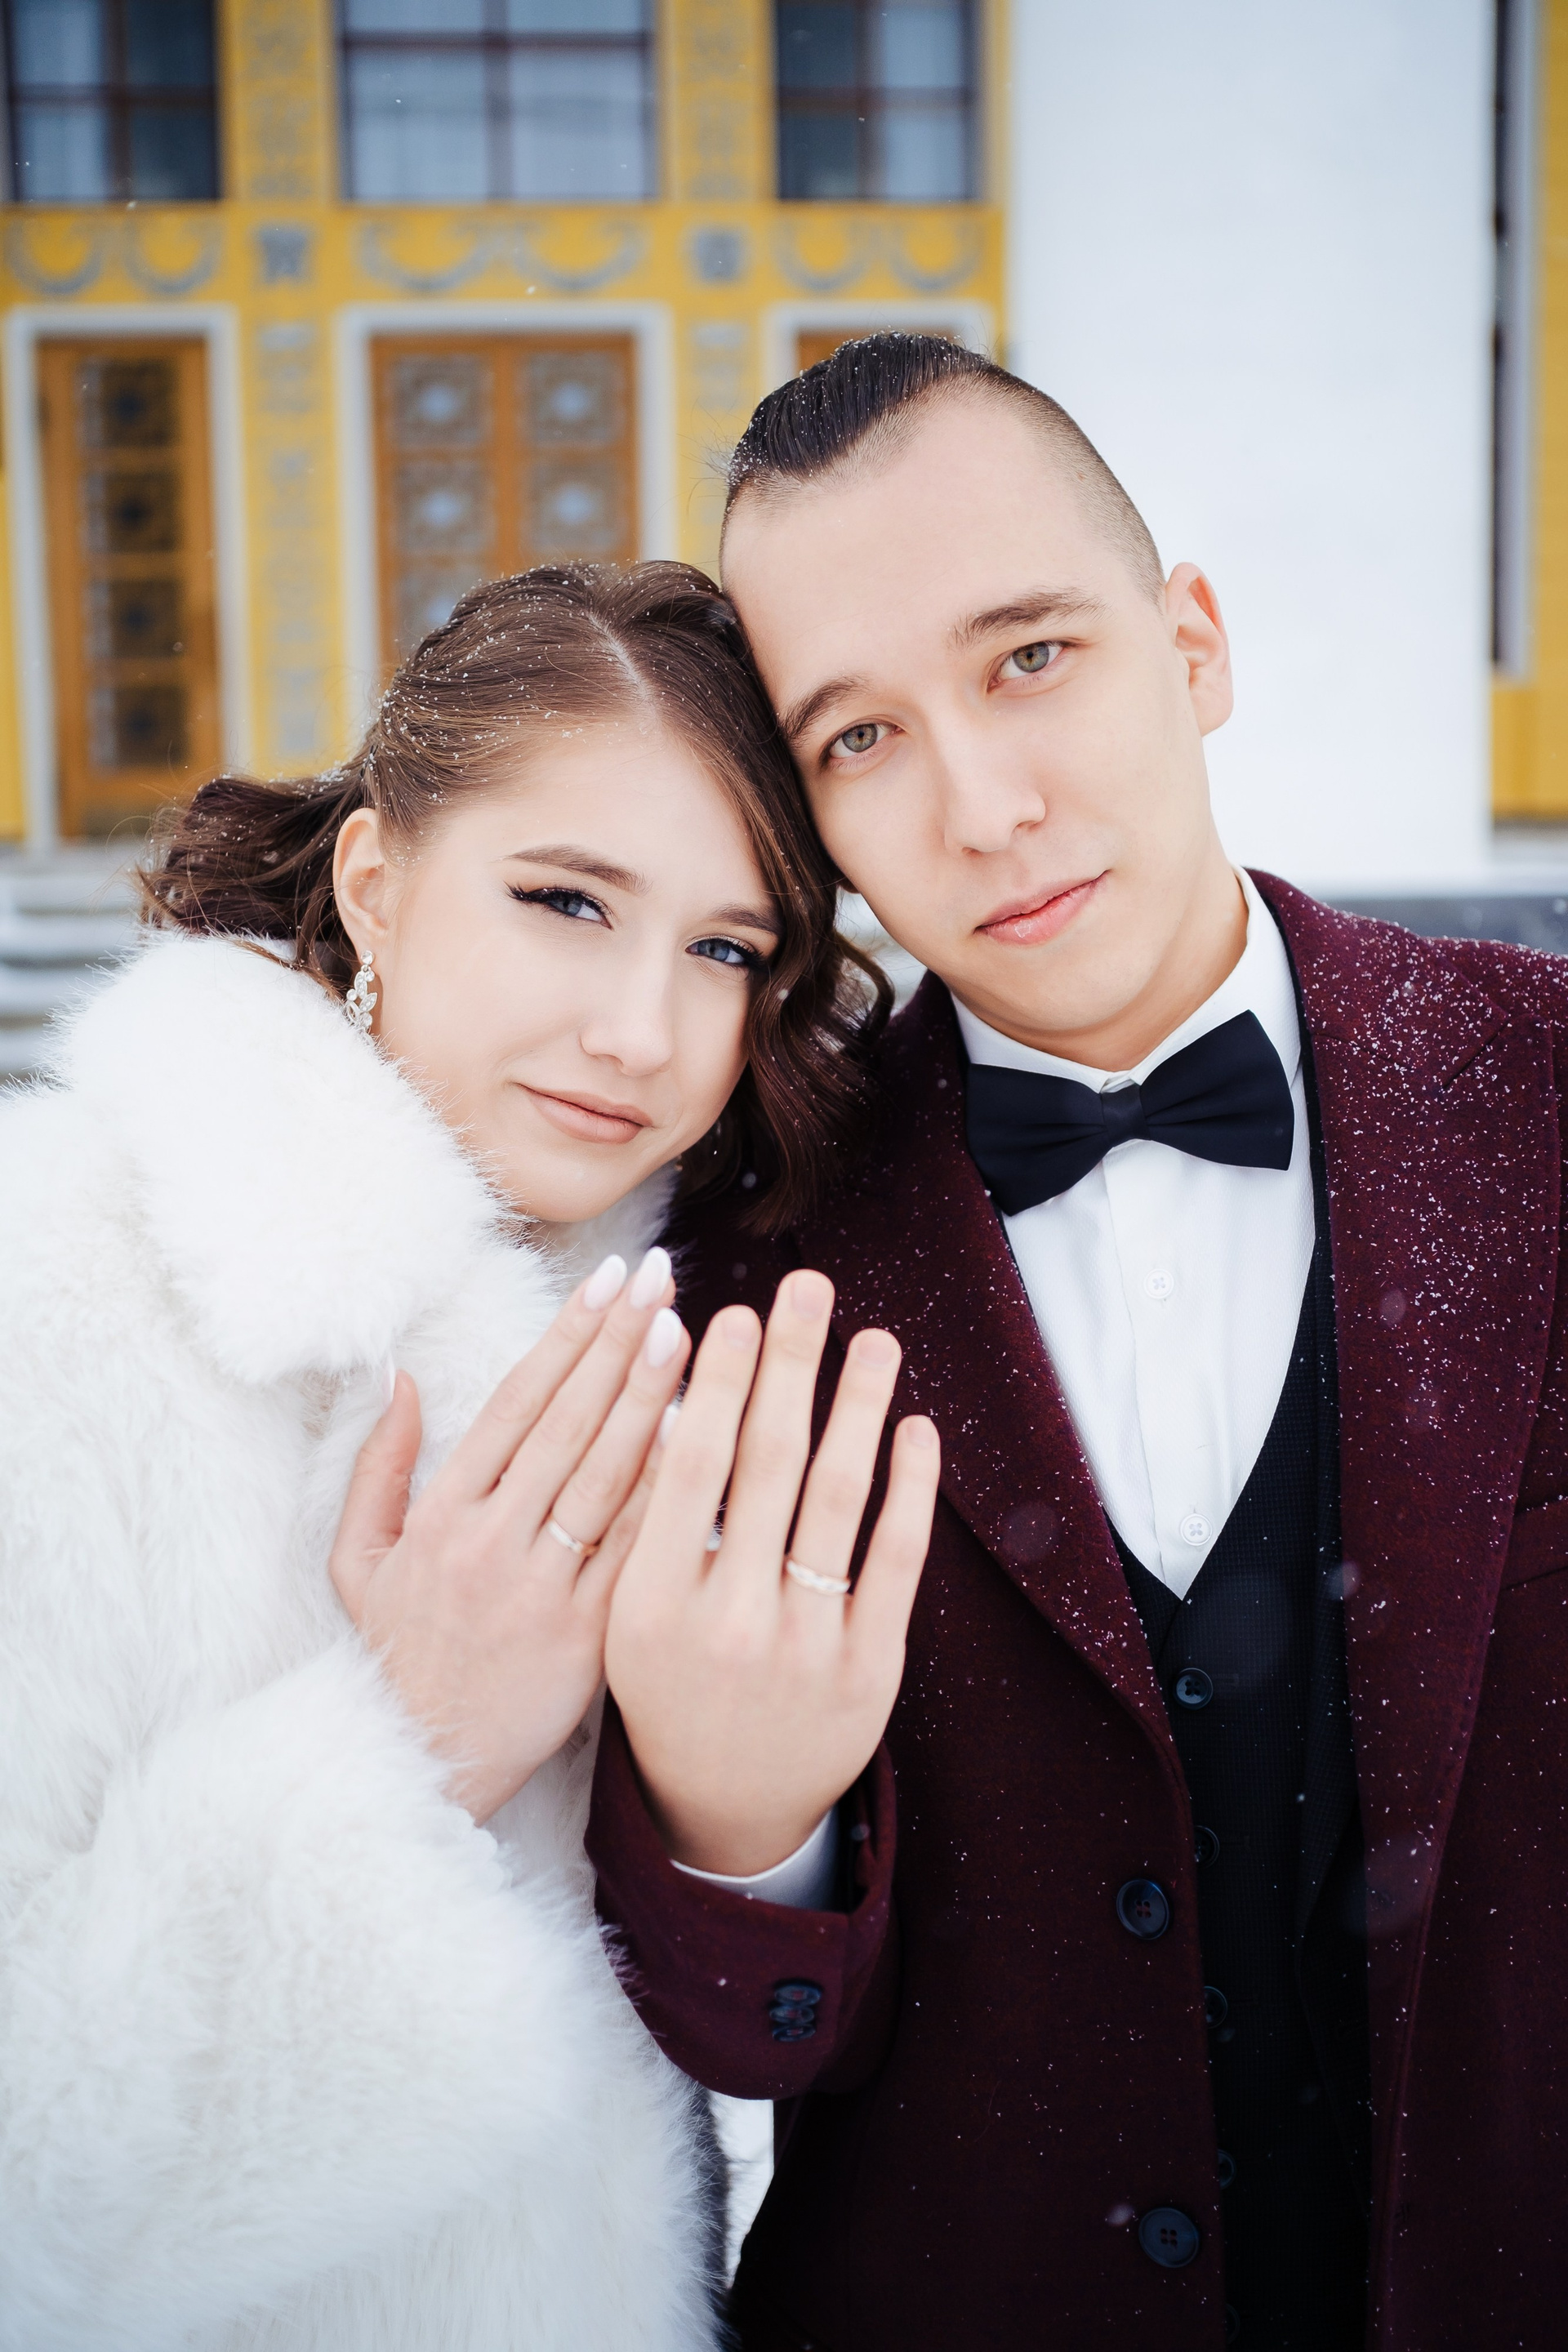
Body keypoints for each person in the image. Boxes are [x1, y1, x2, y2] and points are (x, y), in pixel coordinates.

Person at [589, 336, 1568, 2351]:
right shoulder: (740, 1262)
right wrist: (746, 1836)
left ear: (1192, 645)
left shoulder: (1543, 1093)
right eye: (860, 738)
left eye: (1032, 656)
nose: (986, 807)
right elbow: (731, 2036)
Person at [0, 561, 941, 2352]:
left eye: (726, 949)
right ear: (374, 880)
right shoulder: (51, 1289)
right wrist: (403, 1749)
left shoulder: (694, 1330)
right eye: (566, 901)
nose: (641, 1032)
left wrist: (747, 1822)